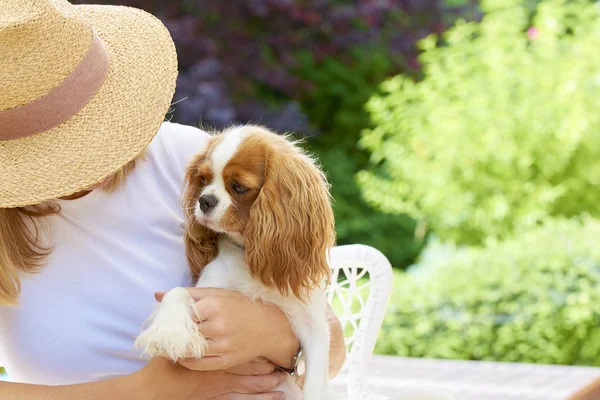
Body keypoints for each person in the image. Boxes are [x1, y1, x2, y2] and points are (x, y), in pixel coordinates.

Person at [0, 1, 346, 399]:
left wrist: (271, 331)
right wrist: (146, 389)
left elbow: (333, 349)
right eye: (56, 146)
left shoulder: (192, 162)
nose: (90, 153)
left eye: (92, 125)